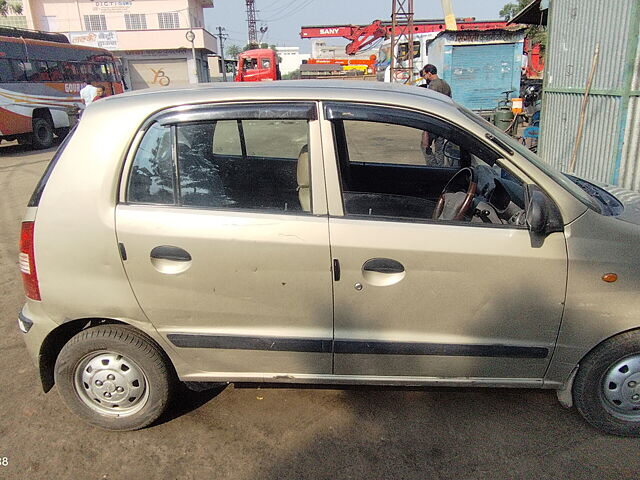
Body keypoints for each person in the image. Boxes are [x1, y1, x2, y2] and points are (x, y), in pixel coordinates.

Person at [419, 64, 452, 166]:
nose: (424, 77)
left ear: (429, 73)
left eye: (424, 75)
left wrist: (425, 128)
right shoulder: (445, 84)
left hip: (433, 121)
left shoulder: (433, 85)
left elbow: (429, 105)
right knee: (439, 148)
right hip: (444, 120)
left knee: (425, 146)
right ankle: (440, 169)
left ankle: (432, 167)